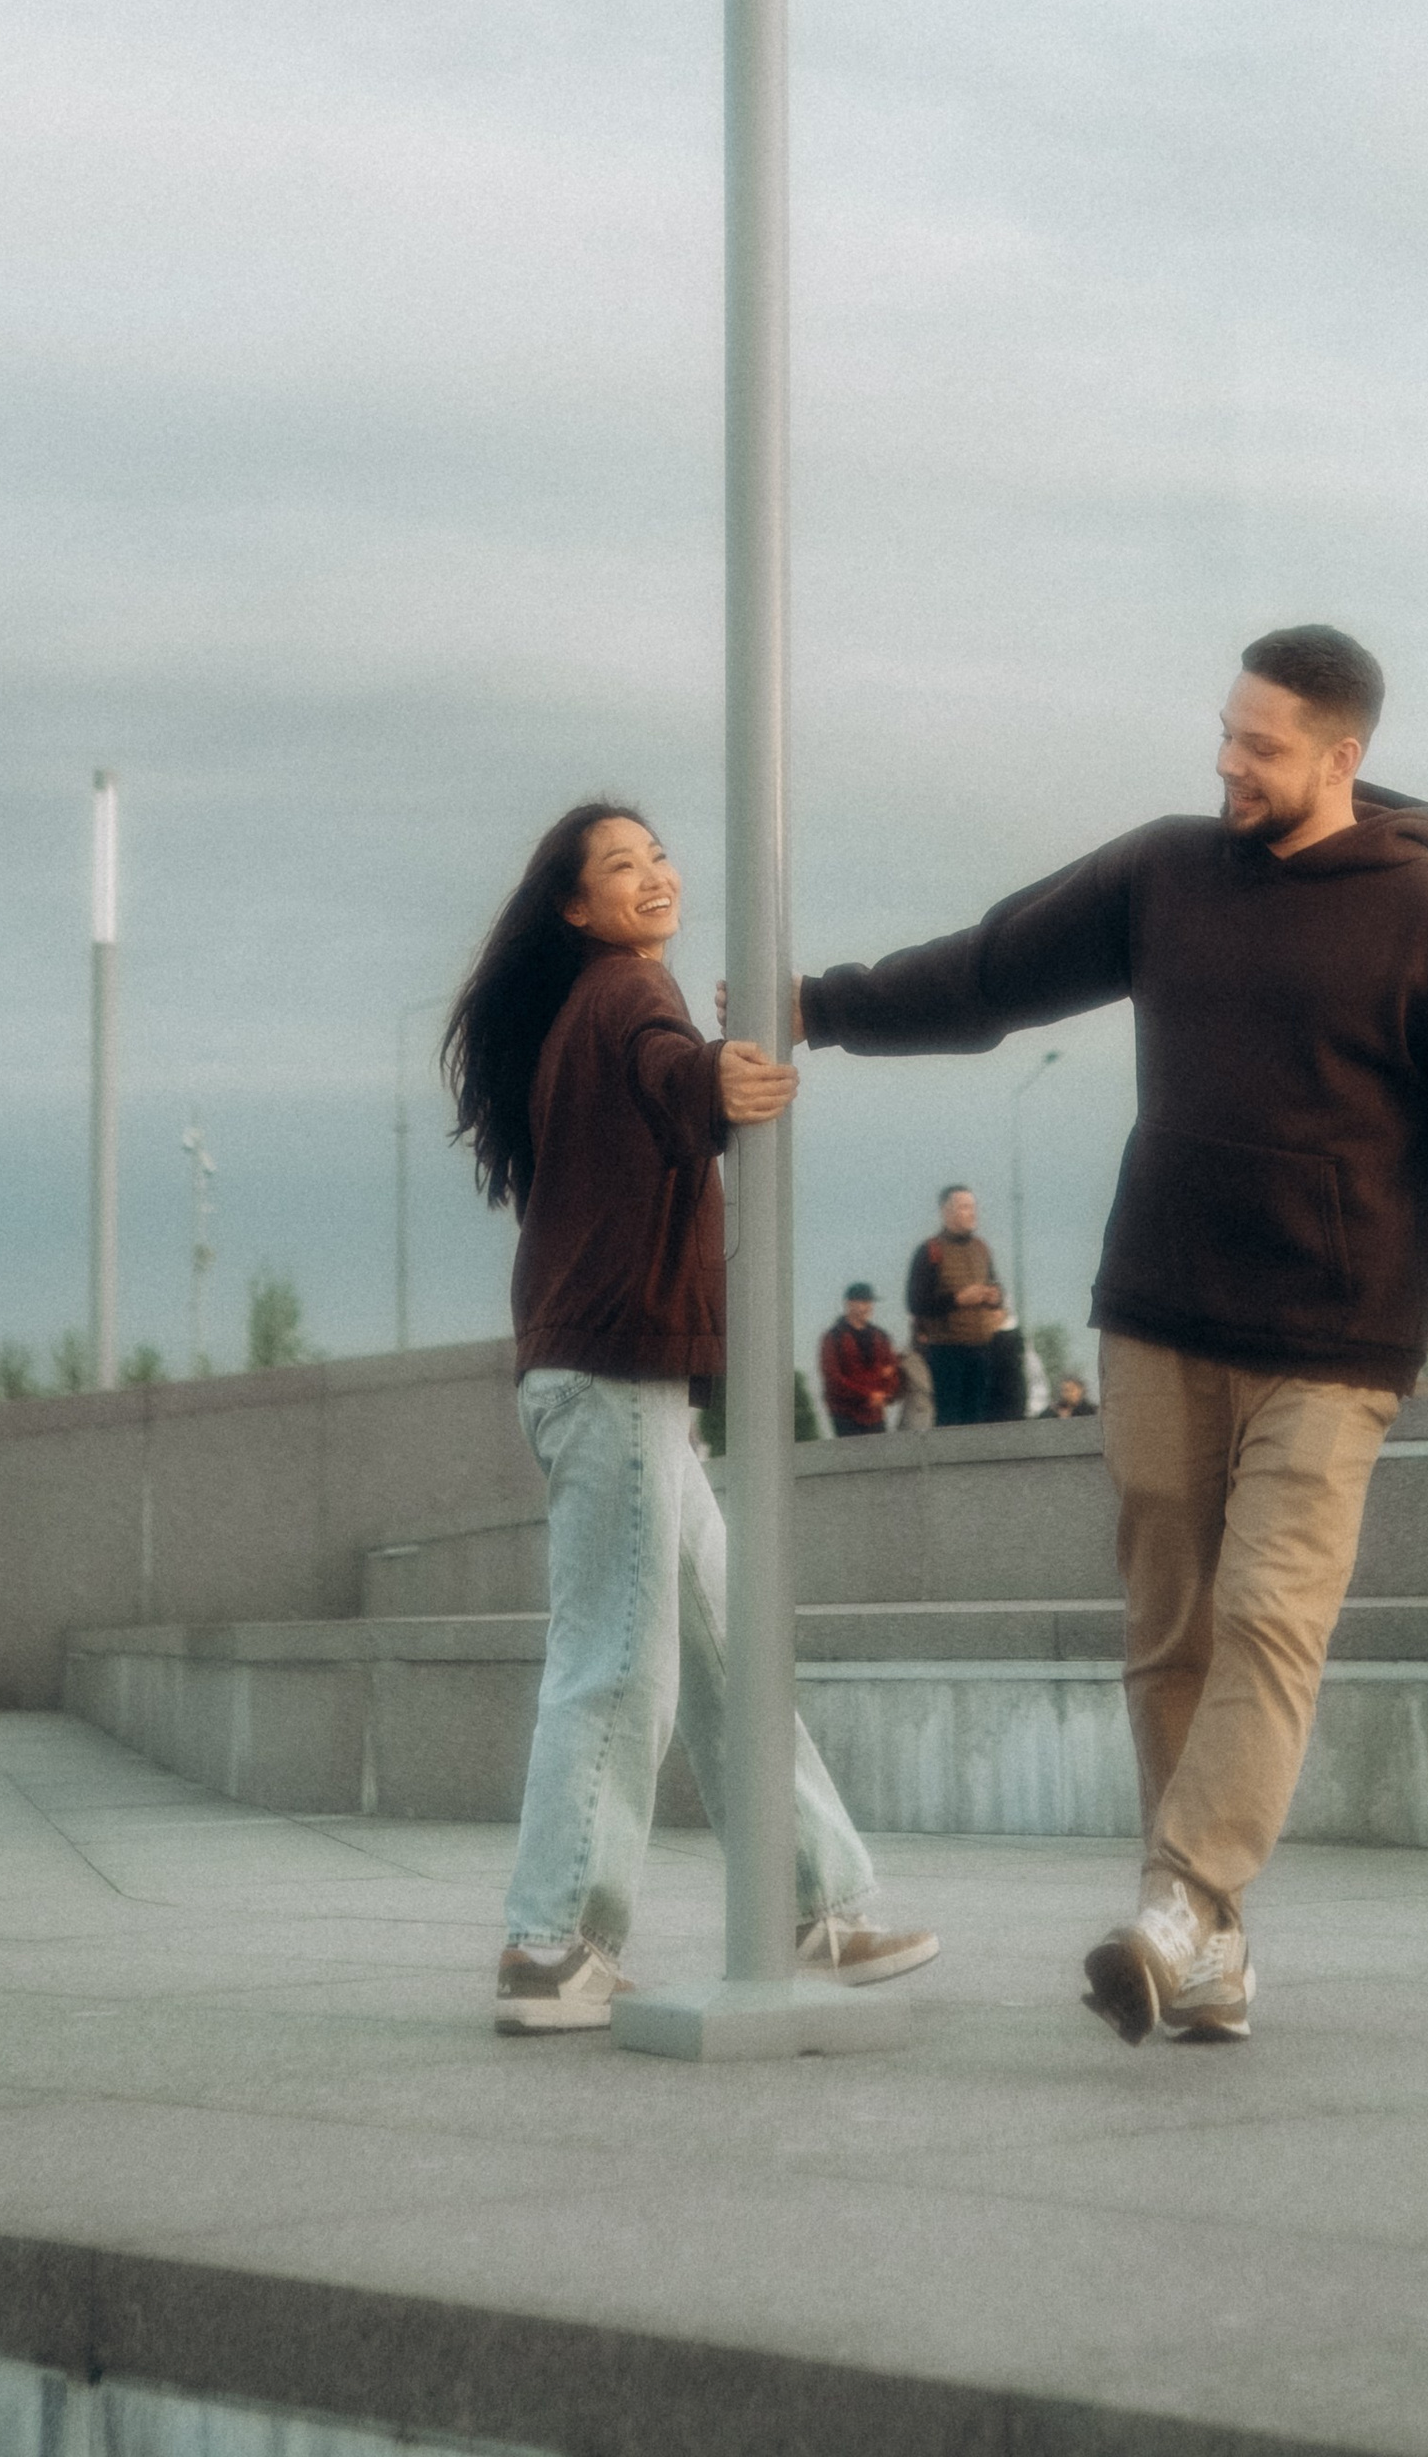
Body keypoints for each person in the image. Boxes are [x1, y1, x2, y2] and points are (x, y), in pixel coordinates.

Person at [800, 627, 1428, 2051]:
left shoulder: (1427, 922)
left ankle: (1185, 1897)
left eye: (1261, 746)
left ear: (1343, 758)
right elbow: (991, 973)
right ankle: (1206, 1951)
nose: (1228, 762)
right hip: (1158, 1314)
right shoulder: (1165, 873)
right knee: (1170, 1636)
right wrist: (823, 1007)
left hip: (1335, 1341)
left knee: (1271, 1619)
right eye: (1226, 732)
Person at [444, 798, 938, 2033]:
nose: (654, 876)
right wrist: (718, 1076)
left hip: (612, 1377)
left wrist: (704, 1082)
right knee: (620, 1664)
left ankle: (818, 1896)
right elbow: (671, 1077)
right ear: (578, 905)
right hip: (611, 1377)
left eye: (657, 856)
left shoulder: (590, 1003)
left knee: (725, 1656)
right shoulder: (626, 993)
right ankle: (552, 1941)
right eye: (621, 866)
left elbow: (655, 1093)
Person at [905, 1186, 1026, 1424]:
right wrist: (957, 1300)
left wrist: (995, 1297)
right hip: (946, 1351)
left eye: (973, 1207)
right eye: (964, 1207)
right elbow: (915, 1302)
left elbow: (996, 1286)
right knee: (951, 1420)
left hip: (982, 1349)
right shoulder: (930, 1251)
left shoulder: (982, 1248)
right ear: (945, 1212)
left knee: (979, 1420)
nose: (973, 1213)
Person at [819, 1283, 903, 1437]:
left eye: (870, 1302)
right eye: (863, 1302)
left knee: (881, 1460)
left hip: (875, 1413)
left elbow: (893, 1370)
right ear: (848, 1304)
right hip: (845, 1414)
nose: (869, 1307)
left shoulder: (881, 1337)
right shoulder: (833, 1338)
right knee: (851, 1459)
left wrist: (886, 1395)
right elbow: (833, 1378)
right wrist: (867, 1395)